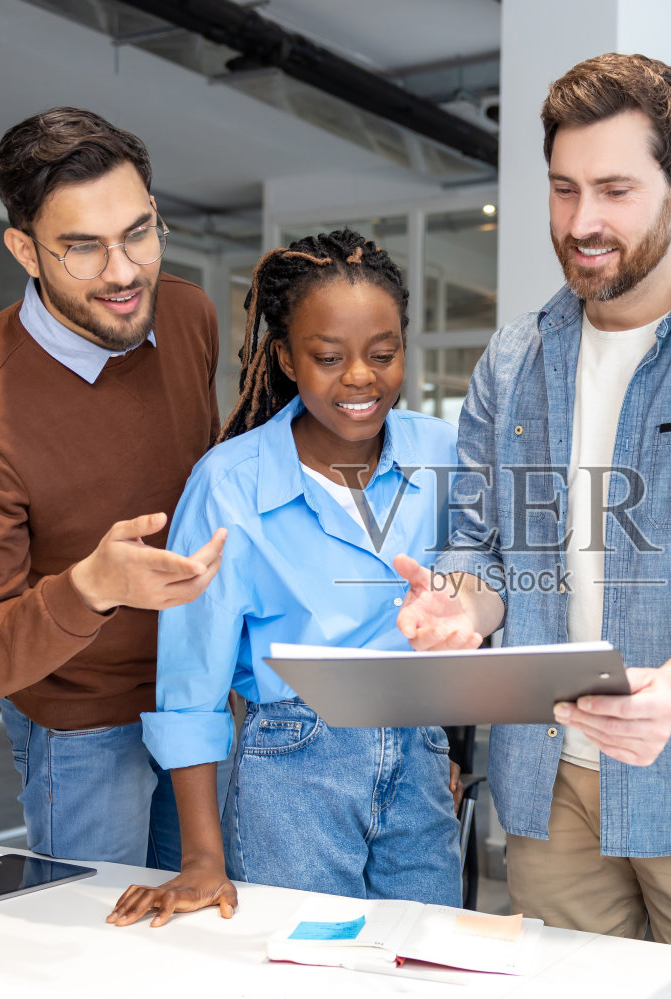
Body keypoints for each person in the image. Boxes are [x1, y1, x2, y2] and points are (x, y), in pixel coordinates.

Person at [394, 53, 671, 955]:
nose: (583, 222)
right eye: (563, 189)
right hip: (547, 788)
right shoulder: (513, 363)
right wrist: (459, 607)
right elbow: (483, 548)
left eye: (616, 190)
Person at [107, 230, 463, 928]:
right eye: (329, 357)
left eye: (384, 354)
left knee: (428, 967)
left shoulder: (442, 453)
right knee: (310, 979)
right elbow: (191, 685)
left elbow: (475, 591)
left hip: (418, 756)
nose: (360, 377)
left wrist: (438, 741)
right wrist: (204, 856)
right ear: (285, 359)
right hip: (293, 766)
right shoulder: (228, 485)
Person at [0, 107, 232, 870]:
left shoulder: (189, 316)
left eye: (138, 232)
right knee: (106, 956)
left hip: (201, 694)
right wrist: (91, 587)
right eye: (83, 249)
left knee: (208, 934)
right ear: (25, 250)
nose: (125, 271)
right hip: (84, 727)